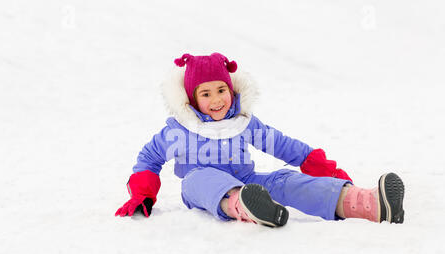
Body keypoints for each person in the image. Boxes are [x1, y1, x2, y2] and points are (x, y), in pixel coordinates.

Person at [115, 52, 405, 227]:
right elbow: (150, 159)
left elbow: (282, 145)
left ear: (231, 90)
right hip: (200, 190)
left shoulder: (243, 123)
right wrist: (143, 194)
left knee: (284, 180)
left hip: (250, 182)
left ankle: (365, 203)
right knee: (198, 178)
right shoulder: (180, 129)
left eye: (221, 90)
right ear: (192, 98)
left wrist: (324, 169)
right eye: (206, 94)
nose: (217, 100)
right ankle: (241, 205)